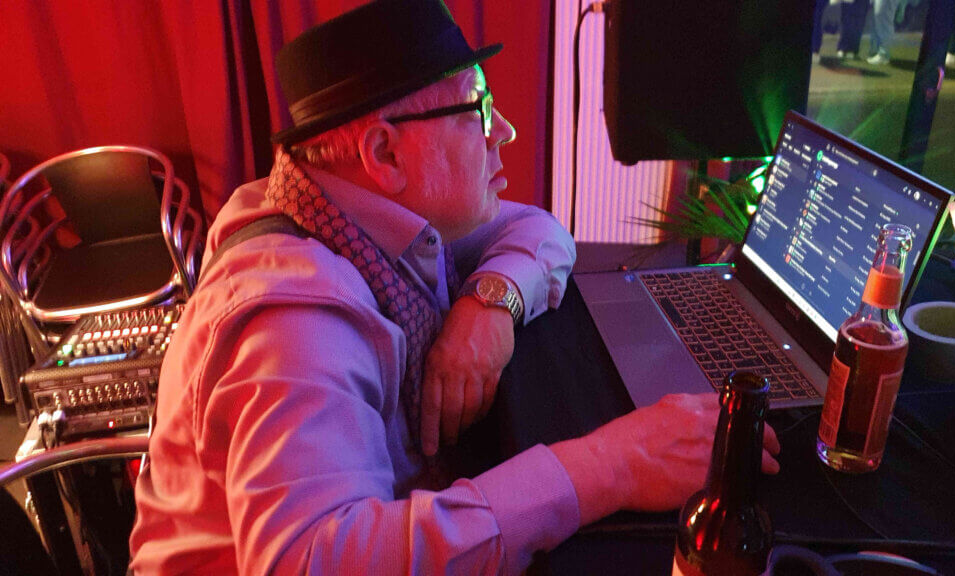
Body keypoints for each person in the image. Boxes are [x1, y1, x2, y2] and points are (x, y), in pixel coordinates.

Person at [128, 1, 782, 574]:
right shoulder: (296, 322)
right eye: (479, 108)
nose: (505, 132)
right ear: (384, 155)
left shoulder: (348, 212)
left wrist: (488, 303)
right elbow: (313, 560)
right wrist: (613, 465)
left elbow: (540, 230)